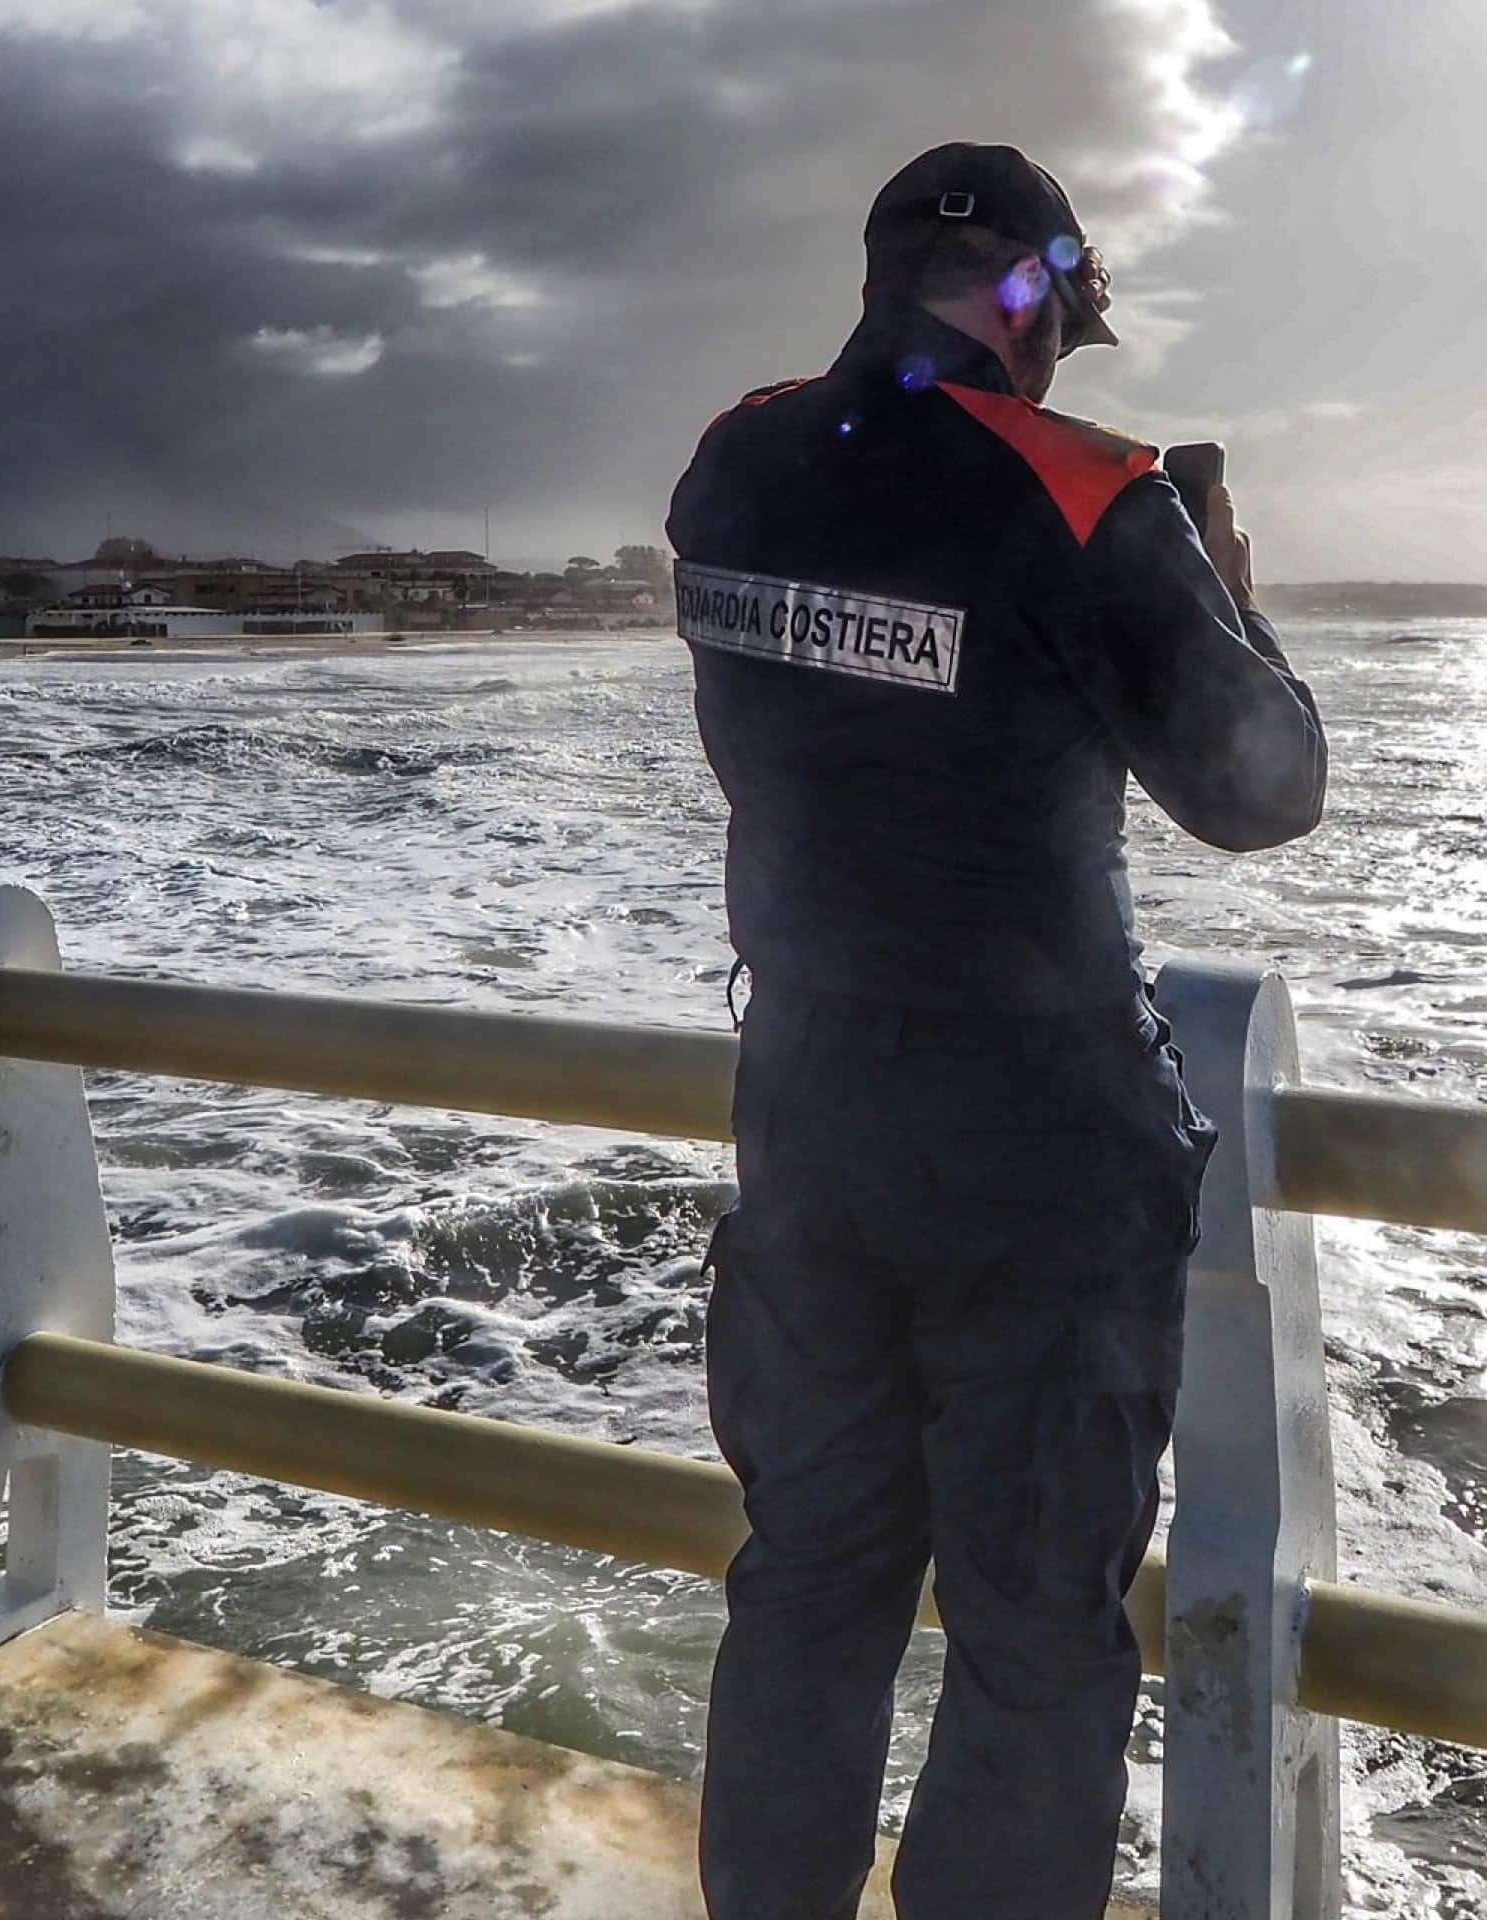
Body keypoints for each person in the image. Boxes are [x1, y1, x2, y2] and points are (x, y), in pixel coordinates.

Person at [667, 142, 1327, 1919]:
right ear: (1036, 297)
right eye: (1060, 316)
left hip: (805, 1106)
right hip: (1031, 1139)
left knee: (807, 1586)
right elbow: (1263, 793)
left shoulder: (735, 457)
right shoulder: (1091, 495)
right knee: (1035, 1634)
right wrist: (1224, 585)